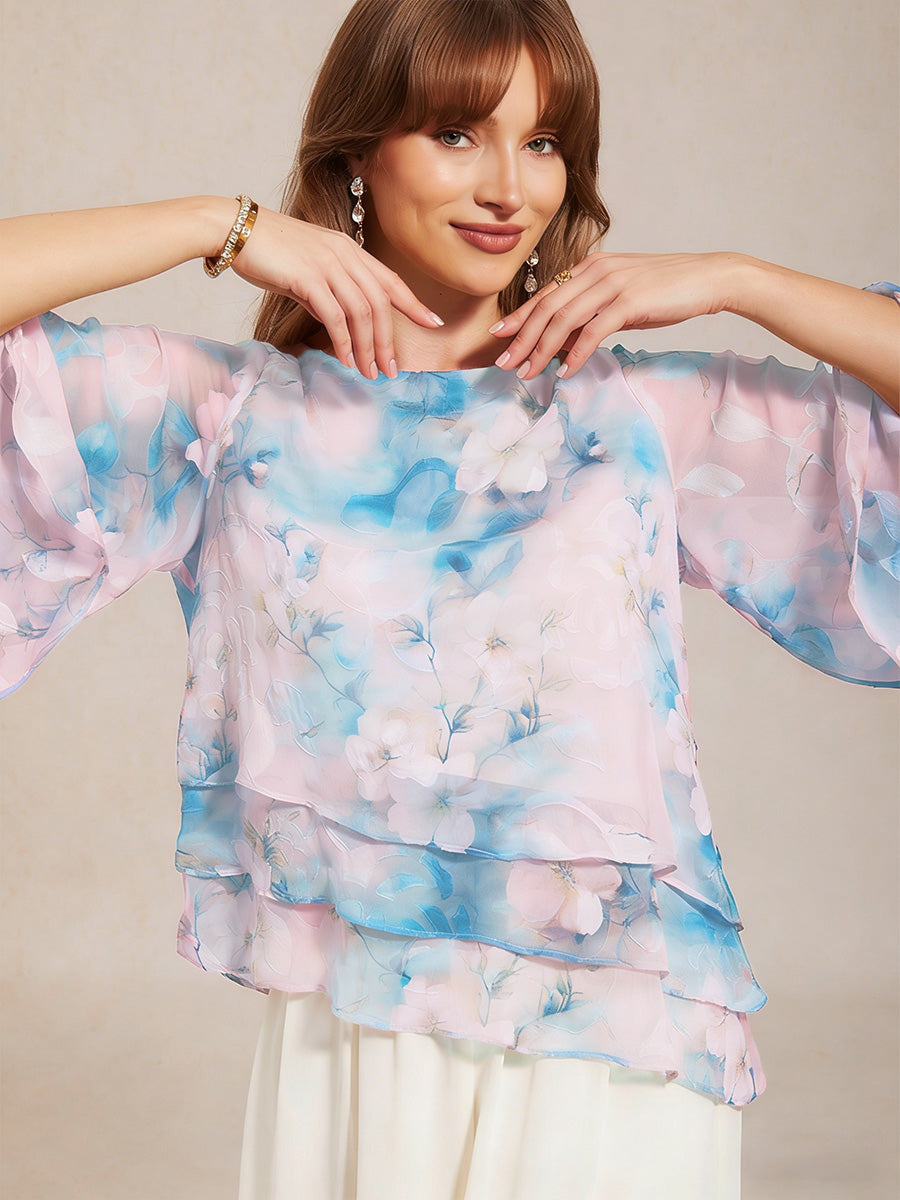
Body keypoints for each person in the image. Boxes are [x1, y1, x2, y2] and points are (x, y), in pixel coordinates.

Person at [1, 0, 897, 1196]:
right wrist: (218, 225)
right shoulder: (230, 417)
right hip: (354, 1031)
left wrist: (740, 280)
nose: (509, 189)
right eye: (457, 133)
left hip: (615, 1044)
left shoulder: (634, 415)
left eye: (545, 142)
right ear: (359, 154)